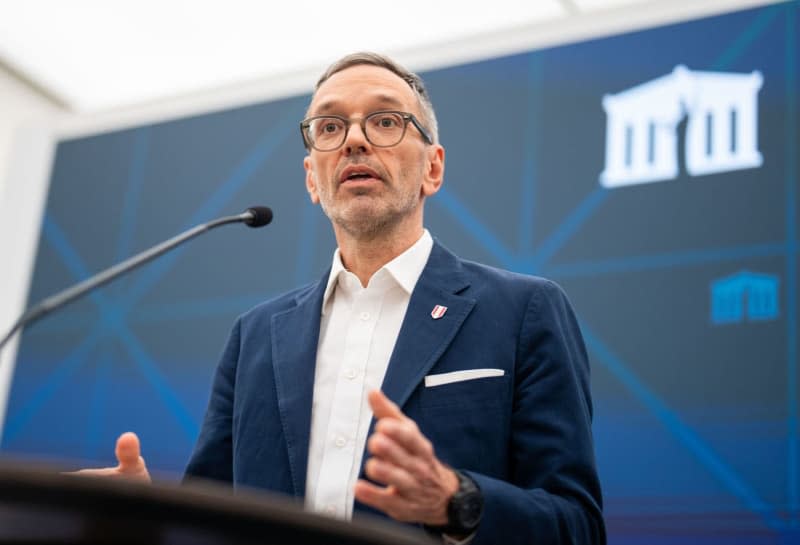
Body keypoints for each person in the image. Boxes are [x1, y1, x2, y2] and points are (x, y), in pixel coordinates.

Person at [80, 52, 605, 544]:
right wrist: (143, 522)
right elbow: (211, 523)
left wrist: (456, 501)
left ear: (433, 168)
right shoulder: (256, 337)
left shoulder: (523, 312)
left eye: (385, 121)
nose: (354, 140)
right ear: (313, 177)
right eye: (330, 127)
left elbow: (577, 525)